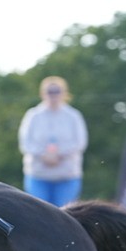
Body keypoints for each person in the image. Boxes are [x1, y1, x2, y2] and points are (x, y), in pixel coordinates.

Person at [18, 76, 88, 207]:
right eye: (50, 91)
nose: (53, 95)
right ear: (43, 93)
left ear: (64, 93)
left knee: (65, 212)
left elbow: (80, 142)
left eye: (57, 91)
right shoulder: (33, 115)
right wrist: (43, 155)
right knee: (39, 210)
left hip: (67, 175)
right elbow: (26, 143)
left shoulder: (73, 116)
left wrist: (59, 154)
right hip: (38, 175)